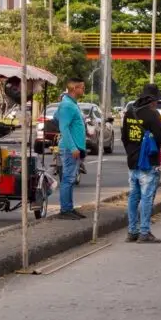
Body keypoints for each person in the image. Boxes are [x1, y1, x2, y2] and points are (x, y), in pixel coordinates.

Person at [121, 83, 161, 243]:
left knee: (133, 197)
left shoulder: (129, 113)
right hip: (148, 163)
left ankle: (132, 231)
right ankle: (144, 232)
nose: (157, 103)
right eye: (157, 100)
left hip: (133, 161)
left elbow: (124, 137)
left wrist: (132, 152)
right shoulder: (153, 115)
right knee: (147, 197)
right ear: (152, 100)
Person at [56, 77, 86, 220]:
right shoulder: (67, 105)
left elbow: (57, 117)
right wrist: (73, 147)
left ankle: (69, 207)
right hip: (69, 148)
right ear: (74, 88)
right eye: (82, 87)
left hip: (74, 147)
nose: (83, 90)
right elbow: (64, 128)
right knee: (68, 179)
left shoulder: (71, 104)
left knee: (71, 178)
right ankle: (65, 209)